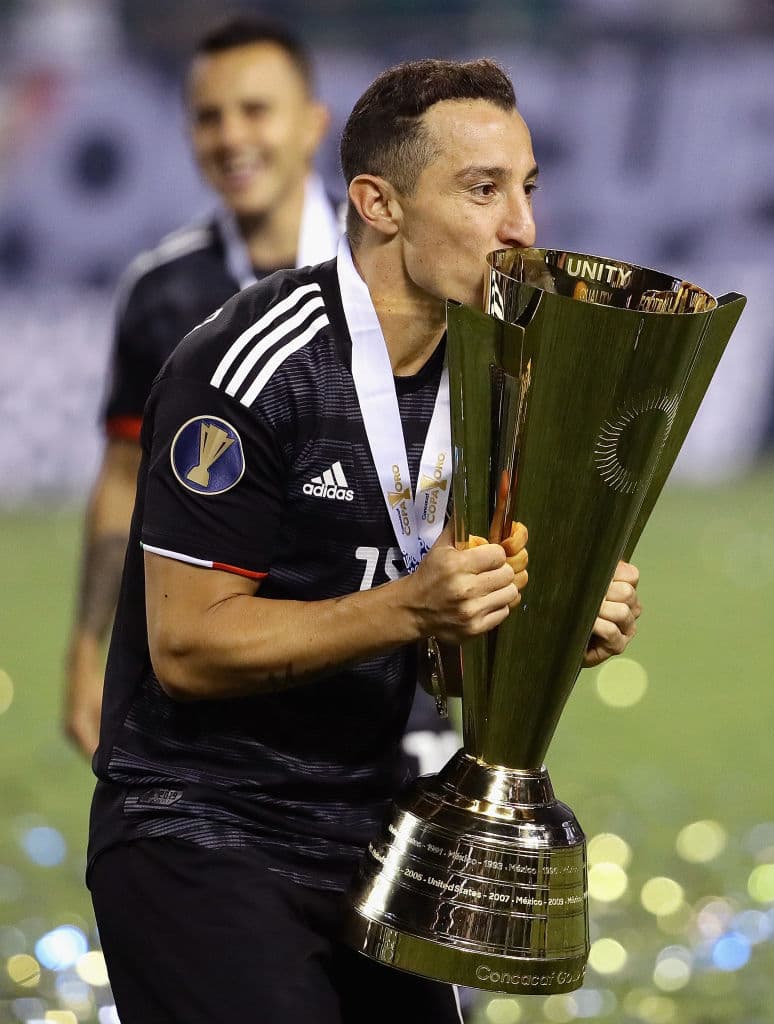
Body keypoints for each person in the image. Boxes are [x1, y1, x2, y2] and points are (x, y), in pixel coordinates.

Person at [87, 58, 642, 1023]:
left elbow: (450, 664)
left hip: (380, 837)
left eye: (527, 187)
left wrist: (550, 623)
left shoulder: (502, 384)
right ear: (379, 203)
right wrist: (409, 605)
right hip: (200, 830)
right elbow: (187, 648)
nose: (522, 226)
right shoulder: (250, 366)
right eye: (483, 189)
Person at [63, 14, 456, 773]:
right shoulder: (162, 294)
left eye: (255, 110)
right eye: (208, 117)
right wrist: (86, 649)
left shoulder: (396, 261)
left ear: (312, 124)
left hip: (399, 664)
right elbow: (122, 480)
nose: (231, 137)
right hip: (243, 667)